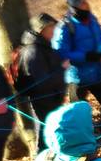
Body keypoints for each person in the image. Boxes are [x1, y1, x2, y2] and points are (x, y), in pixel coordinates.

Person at [52, 0, 101, 131]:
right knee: (79, 112)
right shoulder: (65, 26)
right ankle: (85, 137)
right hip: (76, 78)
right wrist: (85, 56)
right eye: (82, 2)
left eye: (86, 1)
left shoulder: (92, 19)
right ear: (74, 6)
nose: (86, 4)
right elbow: (60, 51)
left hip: (96, 73)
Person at [18, 13, 66, 152]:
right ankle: (42, 159)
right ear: (41, 29)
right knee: (48, 129)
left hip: (52, 96)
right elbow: (42, 81)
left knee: (51, 129)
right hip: (43, 98)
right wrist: (62, 69)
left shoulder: (44, 46)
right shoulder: (33, 50)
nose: (54, 30)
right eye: (51, 27)